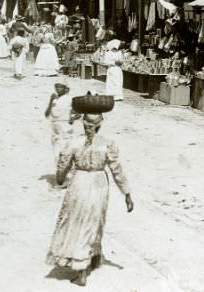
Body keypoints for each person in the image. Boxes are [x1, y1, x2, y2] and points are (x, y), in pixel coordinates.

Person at [46, 114, 134, 287]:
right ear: (100, 125)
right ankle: (93, 257)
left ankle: (82, 269)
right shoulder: (107, 143)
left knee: (77, 222)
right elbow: (116, 169)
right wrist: (127, 193)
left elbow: (63, 163)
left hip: (79, 182)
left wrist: (60, 177)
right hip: (99, 183)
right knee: (95, 220)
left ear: (83, 125)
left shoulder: (74, 142)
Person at [44, 82, 80, 174]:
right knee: (56, 153)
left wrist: (72, 118)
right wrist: (50, 101)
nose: (57, 89)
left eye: (60, 87)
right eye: (56, 87)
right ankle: (61, 174)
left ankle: (67, 174)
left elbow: (78, 113)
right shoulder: (54, 100)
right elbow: (46, 114)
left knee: (66, 151)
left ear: (65, 89)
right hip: (55, 129)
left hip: (66, 128)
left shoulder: (69, 99)